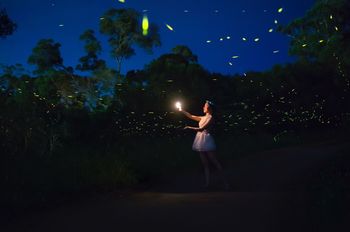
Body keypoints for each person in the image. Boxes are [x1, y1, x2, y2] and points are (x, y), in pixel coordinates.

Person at [180, 100, 229, 190]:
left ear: (209, 108)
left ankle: (225, 183)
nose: (203, 107)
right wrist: (181, 110)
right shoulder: (203, 117)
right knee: (205, 164)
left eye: (205, 106)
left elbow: (202, 128)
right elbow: (191, 116)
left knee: (215, 162)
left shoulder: (211, 118)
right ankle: (207, 184)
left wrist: (189, 127)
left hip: (206, 140)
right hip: (200, 140)